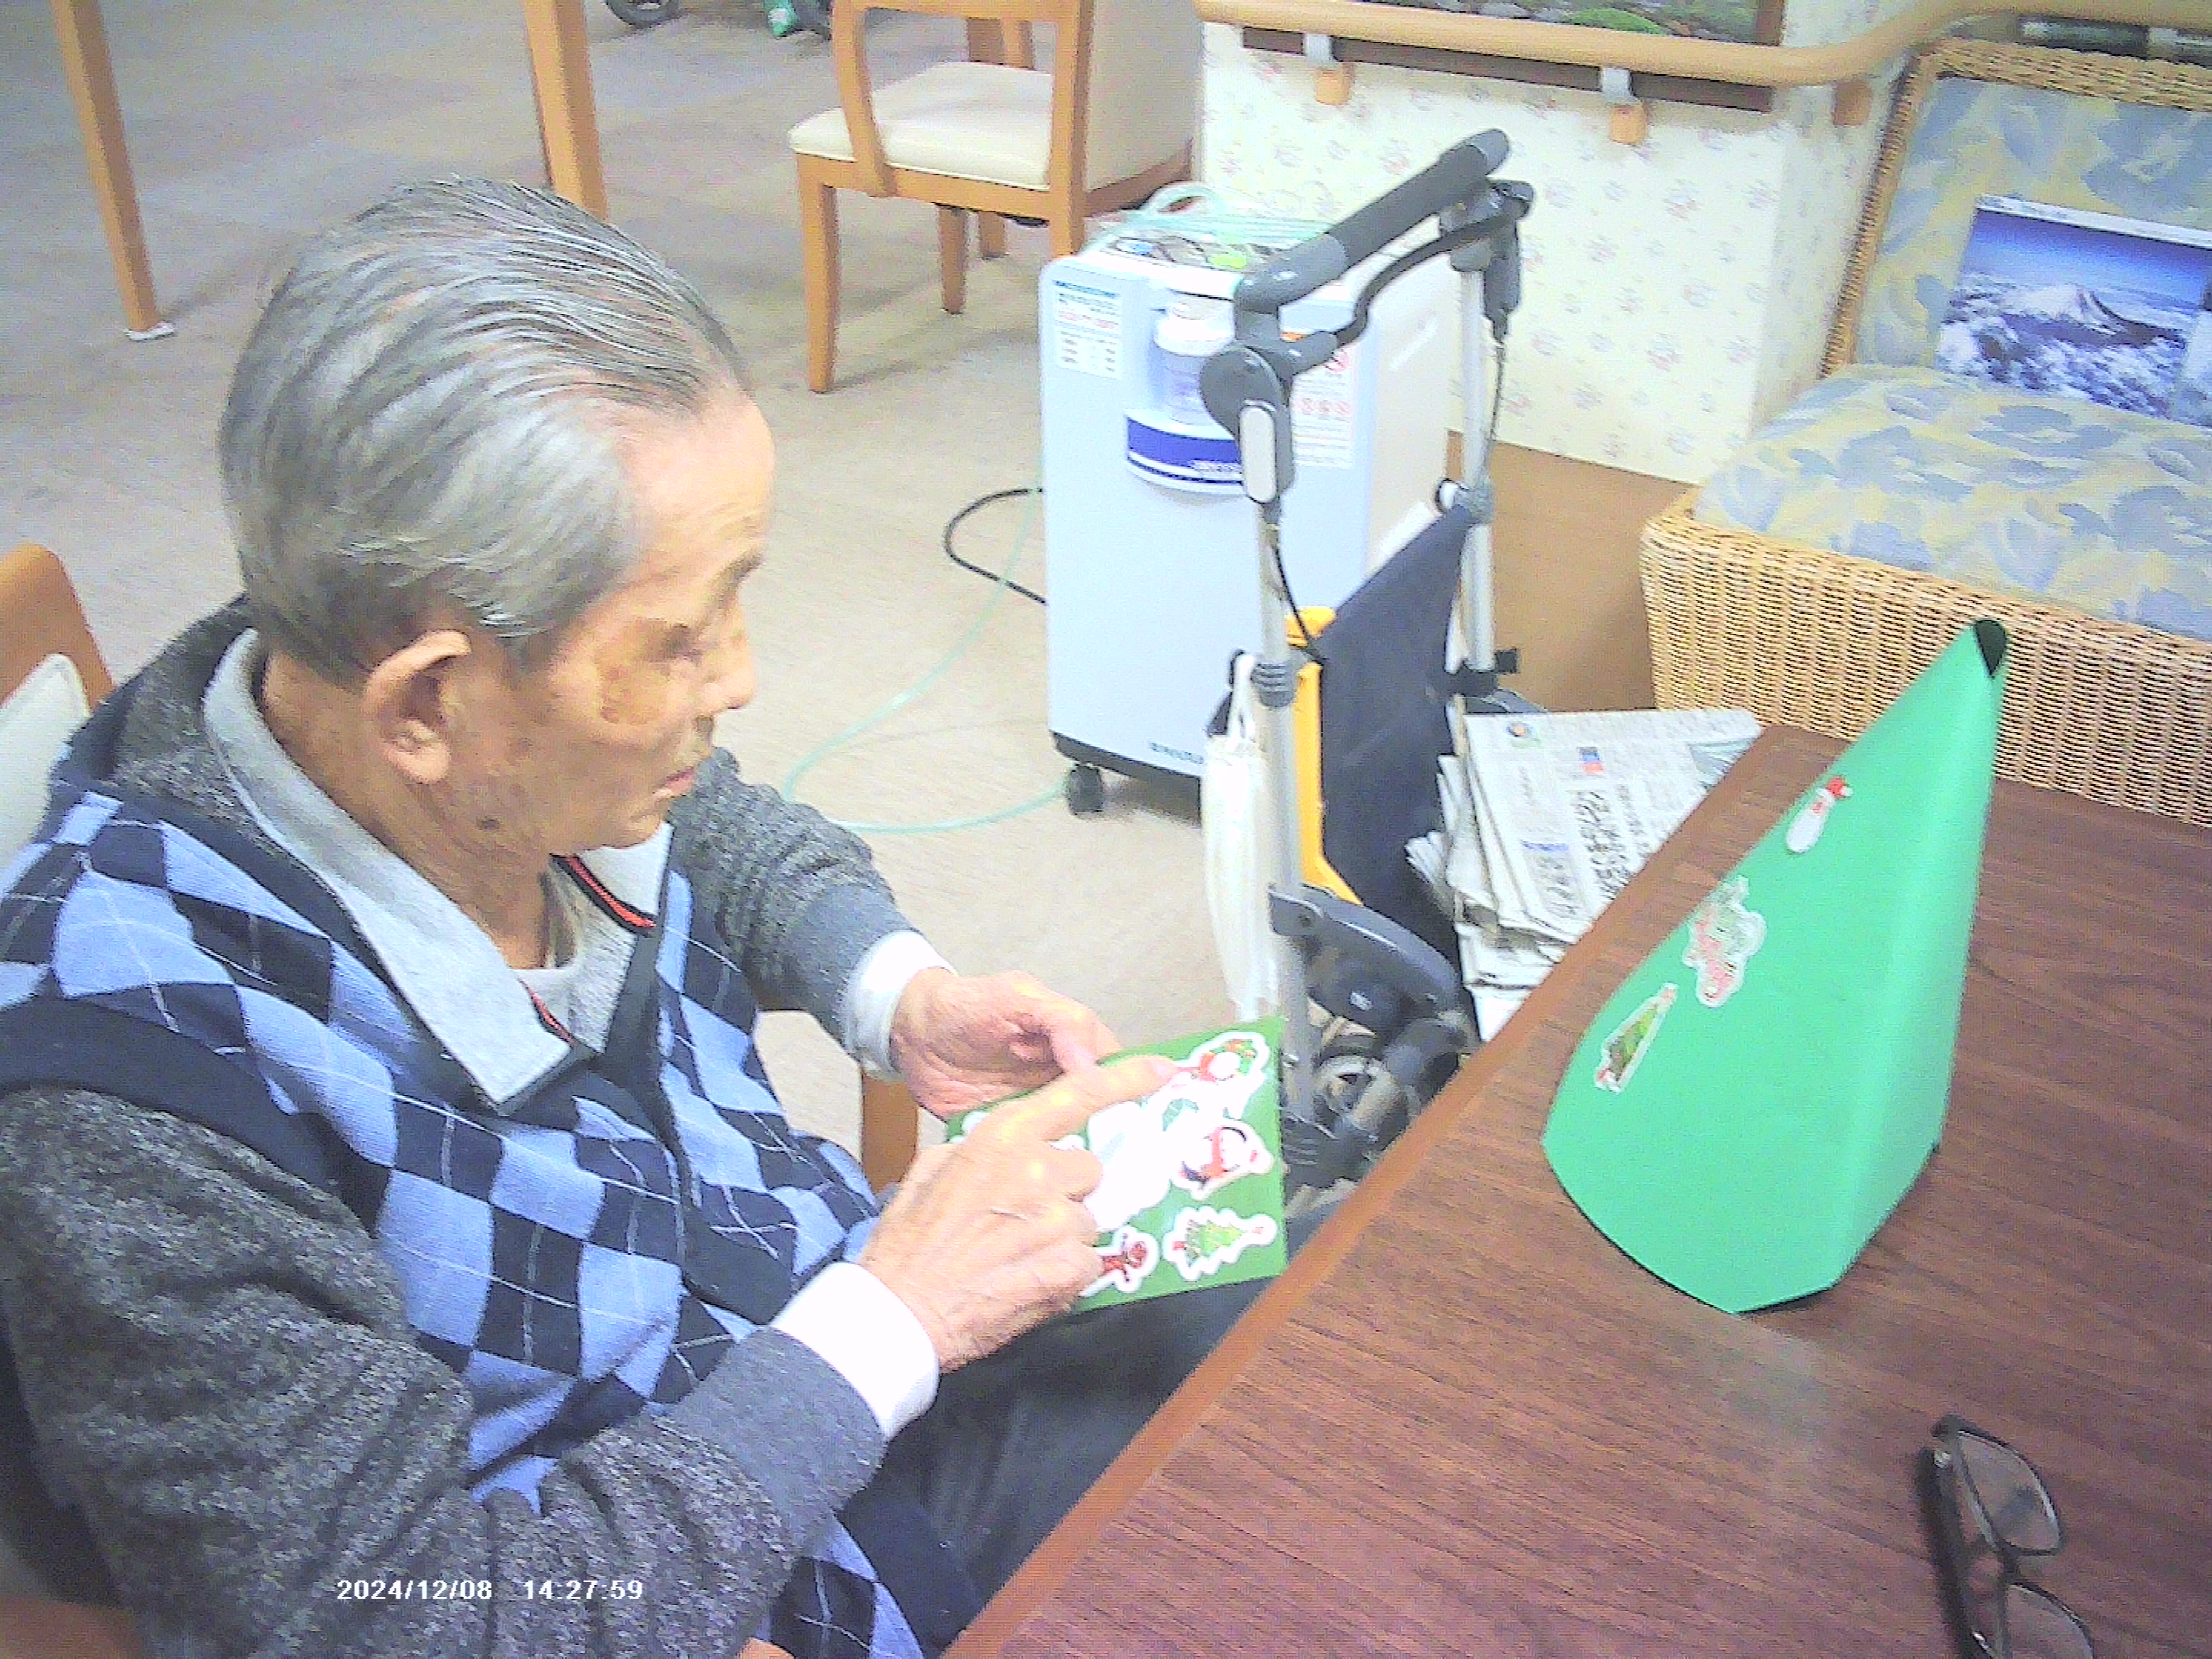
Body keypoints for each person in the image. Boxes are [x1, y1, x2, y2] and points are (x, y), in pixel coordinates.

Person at [0, 180, 1271, 1659]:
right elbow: (389, 1619)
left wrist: (895, 992)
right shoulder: (133, 1110)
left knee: (1327, 1325)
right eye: (677, 641)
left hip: (839, 1348)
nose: (733, 681)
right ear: (429, 704)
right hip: (719, 1551)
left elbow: (706, 823)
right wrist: (887, 1325)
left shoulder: (457, 734)